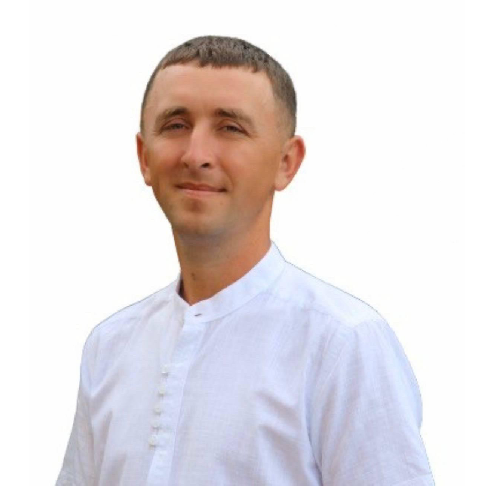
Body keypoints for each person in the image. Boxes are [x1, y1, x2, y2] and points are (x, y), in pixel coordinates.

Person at [56, 35, 435, 486]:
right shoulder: (109, 346)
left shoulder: (343, 344)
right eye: (175, 124)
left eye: (230, 128)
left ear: (286, 162)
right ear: (144, 157)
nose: (196, 155)